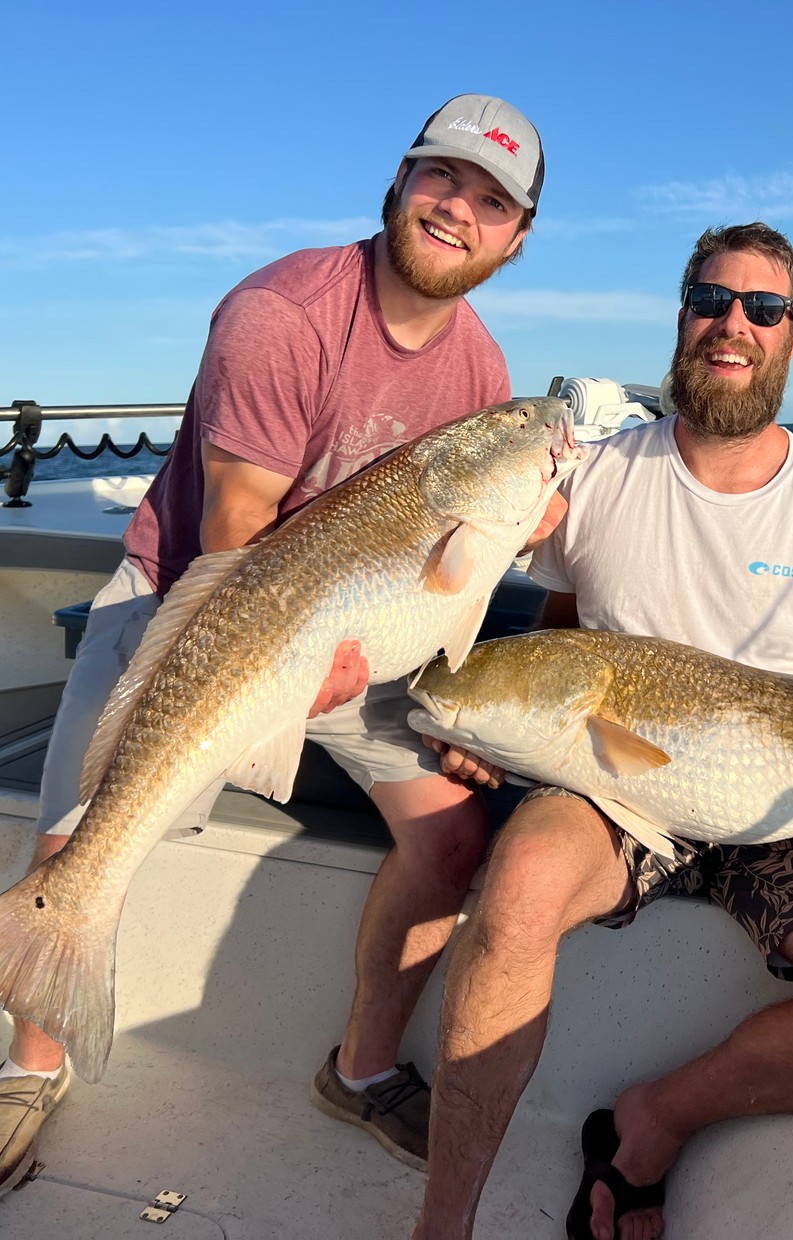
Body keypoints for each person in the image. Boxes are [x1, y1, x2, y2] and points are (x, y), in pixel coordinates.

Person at [0, 93, 552, 1190]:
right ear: (400, 182)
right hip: (190, 602)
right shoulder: (284, 311)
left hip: (358, 631)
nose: (458, 211)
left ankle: (356, 1071)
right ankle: (26, 1066)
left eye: (491, 202)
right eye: (443, 180)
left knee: (452, 840)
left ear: (516, 237)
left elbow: (450, 580)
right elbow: (235, 536)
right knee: (81, 838)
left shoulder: (483, 373)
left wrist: (496, 567)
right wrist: (305, 666)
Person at [411, 223, 793, 1240]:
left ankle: (654, 1119)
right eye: (712, 299)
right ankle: (441, 1226)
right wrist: (495, 726)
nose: (733, 325)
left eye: (764, 308)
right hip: (620, 785)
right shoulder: (595, 480)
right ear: (680, 317)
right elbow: (559, 637)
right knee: (521, 879)